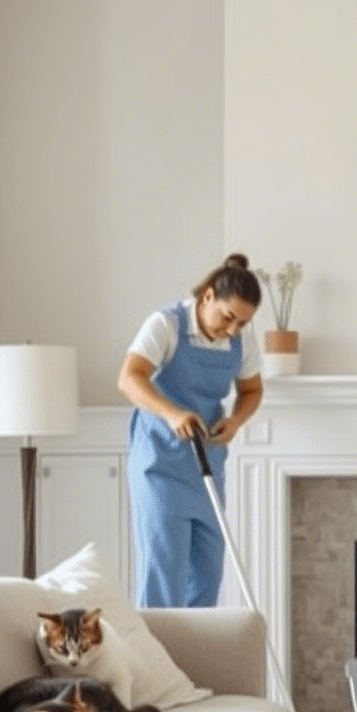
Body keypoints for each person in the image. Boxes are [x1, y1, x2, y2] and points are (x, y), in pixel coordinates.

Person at [118, 253, 263, 608]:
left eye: (241, 324)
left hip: (206, 463)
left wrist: (236, 420)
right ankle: (155, 663)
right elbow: (129, 377)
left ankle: (195, 662)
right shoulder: (166, 324)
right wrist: (171, 413)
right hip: (160, 462)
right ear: (208, 295)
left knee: (207, 576)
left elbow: (252, 390)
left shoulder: (241, 339)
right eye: (228, 318)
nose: (231, 330)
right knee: (164, 574)